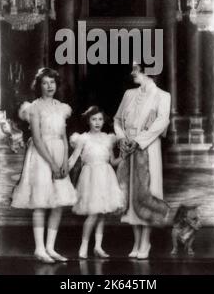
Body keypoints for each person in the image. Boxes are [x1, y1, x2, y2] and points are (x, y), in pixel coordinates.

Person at [11, 67, 77, 263]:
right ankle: (39, 249)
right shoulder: (34, 108)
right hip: (41, 156)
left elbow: (64, 137)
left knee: (58, 203)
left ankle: (50, 247)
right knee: (40, 201)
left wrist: (64, 161)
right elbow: (37, 139)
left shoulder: (61, 107)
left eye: (52, 82)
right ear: (38, 86)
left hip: (58, 152)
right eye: (45, 83)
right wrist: (52, 164)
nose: (49, 86)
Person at [114, 62, 171, 259]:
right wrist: (122, 138)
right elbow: (117, 119)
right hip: (128, 148)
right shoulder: (129, 94)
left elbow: (161, 121)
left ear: (149, 72)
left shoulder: (163, 96)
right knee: (130, 195)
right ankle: (136, 242)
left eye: (136, 70)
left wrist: (138, 141)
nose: (132, 73)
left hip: (147, 148)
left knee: (146, 192)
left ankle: (145, 242)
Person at [68, 106, 123, 259]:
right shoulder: (83, 138)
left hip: (106, 176)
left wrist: (125, 156)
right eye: (94, 119)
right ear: (88, 121)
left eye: (100, 119)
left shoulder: (108, 138)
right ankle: (83, 246)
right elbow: (74, 158)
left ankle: (98, 247)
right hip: (90, 177)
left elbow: (112, 161)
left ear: (104, 121)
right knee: (93, 213)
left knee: (101, 214)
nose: (97, 122)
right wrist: (63, 170)